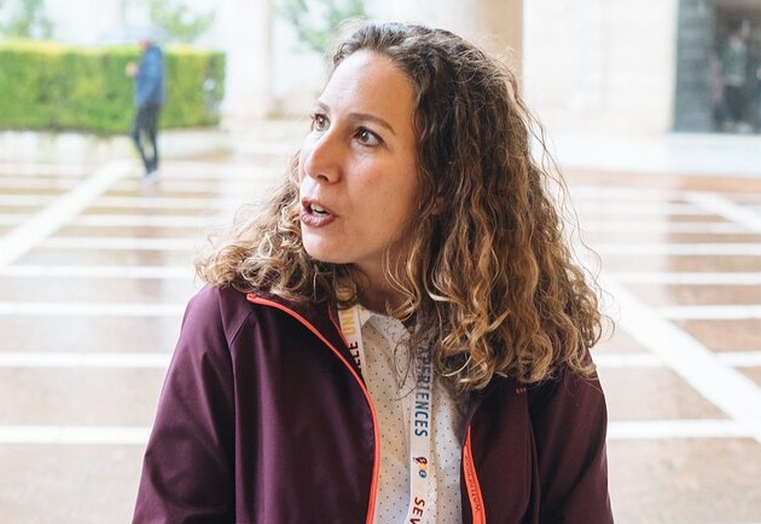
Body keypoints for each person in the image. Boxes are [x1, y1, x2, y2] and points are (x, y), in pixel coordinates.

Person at [132, 21, 613, 523]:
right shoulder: (237, 325)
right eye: (319, 122)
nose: (315, 160)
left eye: (365, 136)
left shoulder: (538, 346)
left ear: (443, 183)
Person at [126, 37, 165, 182]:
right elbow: (149, 78)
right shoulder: (151, 55)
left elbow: (153, 80)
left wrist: (142, 99)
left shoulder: (152, 56)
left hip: (148, 102)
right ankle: (152, 169)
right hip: (152, 101)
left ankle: (150, 168)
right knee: (150, 133)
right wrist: (138, 73)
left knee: (136, 133)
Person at [719, 20, 750, 132]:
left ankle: (737, 120)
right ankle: (728, 119)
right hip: (730, 77)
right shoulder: (729, 45)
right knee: (729, 99)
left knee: (738, 100)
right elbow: (726, 61)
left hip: (739, 78)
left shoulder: (743, 46)